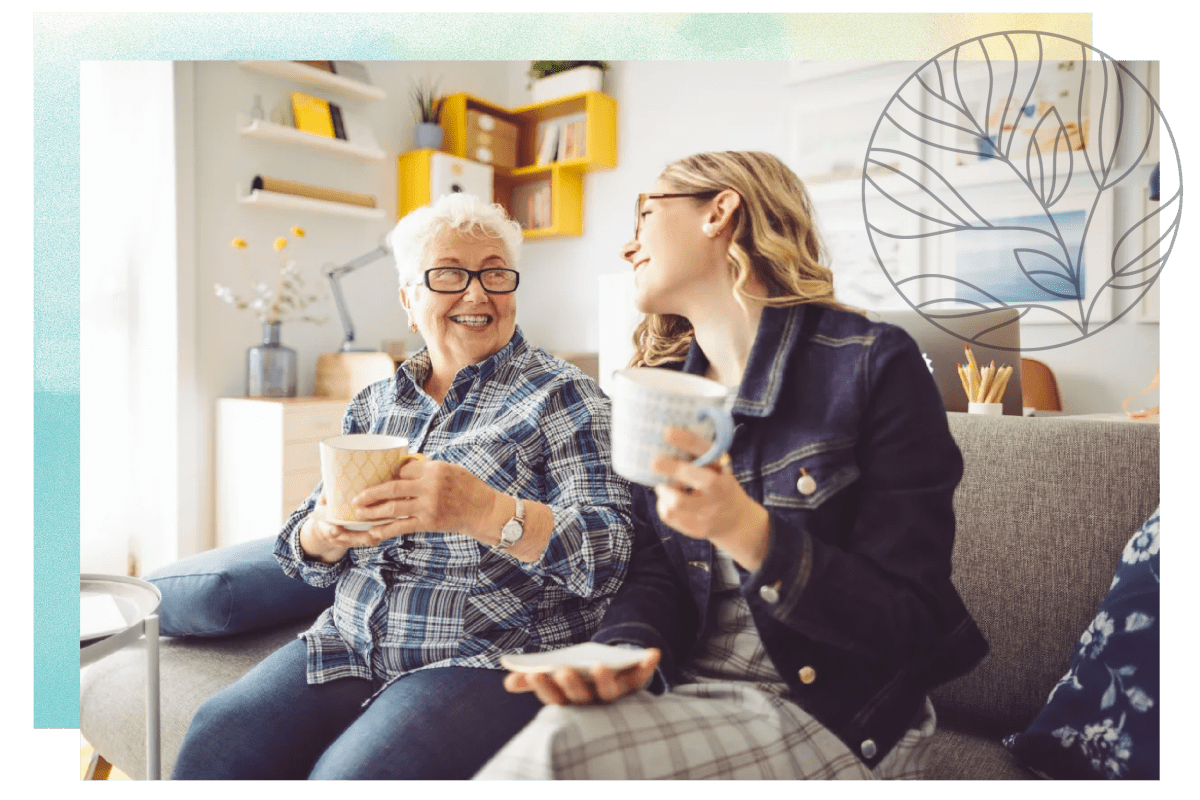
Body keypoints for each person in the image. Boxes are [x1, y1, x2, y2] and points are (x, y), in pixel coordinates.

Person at [477, 151, 989, 781]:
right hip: (692, 688)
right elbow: (655, 572)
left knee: (559, 750)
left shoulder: (871, 365)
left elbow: (911, 619)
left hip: (836, 709)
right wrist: (619, 655)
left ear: (719, 212)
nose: (627, 247)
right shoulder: (662, 391)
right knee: (565, 725)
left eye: (644, 215)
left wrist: (746, 530)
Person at [172, 193, 633, 781]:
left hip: (483, 657)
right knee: (219, 736)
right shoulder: (375, 403)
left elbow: (611, 553)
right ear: (409, 301)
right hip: (347, 641)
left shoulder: (565, 397)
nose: (477, 293)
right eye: (448, 275)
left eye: (495, 272)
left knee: (350, 777)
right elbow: (304, 556)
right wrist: (324, 533)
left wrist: (485, 510)